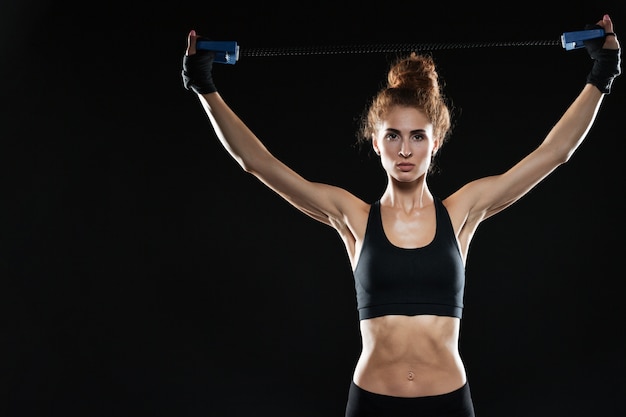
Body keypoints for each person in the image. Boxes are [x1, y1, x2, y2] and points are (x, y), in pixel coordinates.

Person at [181, 14, 620, 417]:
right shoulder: (351, 216)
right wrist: (206, 88)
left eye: (417, 137)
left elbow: (553, 155)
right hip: (370, 401)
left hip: (449, 401)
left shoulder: (462, 211)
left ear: (436, 142)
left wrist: (599, 77)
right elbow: (258, 163)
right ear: (376, 142)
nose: (405, 150)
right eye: (392, 136)